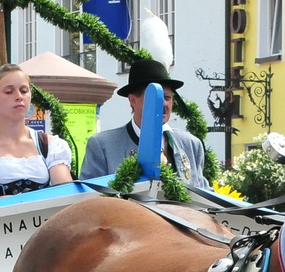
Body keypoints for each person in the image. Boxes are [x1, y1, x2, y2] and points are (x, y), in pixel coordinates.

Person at [80, 58, 208, 189]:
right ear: (133, 100)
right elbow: (90, 200)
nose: (163, 103)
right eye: (155, 97)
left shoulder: (191, 144)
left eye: (167, 97)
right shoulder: (103, 146)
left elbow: (205, 195)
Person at [0, 63, 74, 204]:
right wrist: (11, 203)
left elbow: (65, 193)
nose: (19, 96)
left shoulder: (51, 145)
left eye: (24, 91)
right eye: (9, 92)